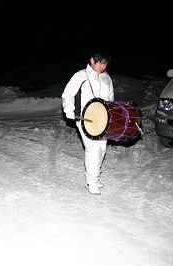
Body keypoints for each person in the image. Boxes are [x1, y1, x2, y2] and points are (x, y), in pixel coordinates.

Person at [61, 47, 114, 195]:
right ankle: (91, 181)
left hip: (102, 120)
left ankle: (94, 175)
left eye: (105, 63)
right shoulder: (80, 76)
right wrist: (69, 110)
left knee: (102, 148)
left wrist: (112, 114)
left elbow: (110, 98)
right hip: (85, 119)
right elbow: (67, 94)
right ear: (92, 60)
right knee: (92, 149)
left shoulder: (107, 78)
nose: (103, 66)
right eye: (100, 63)